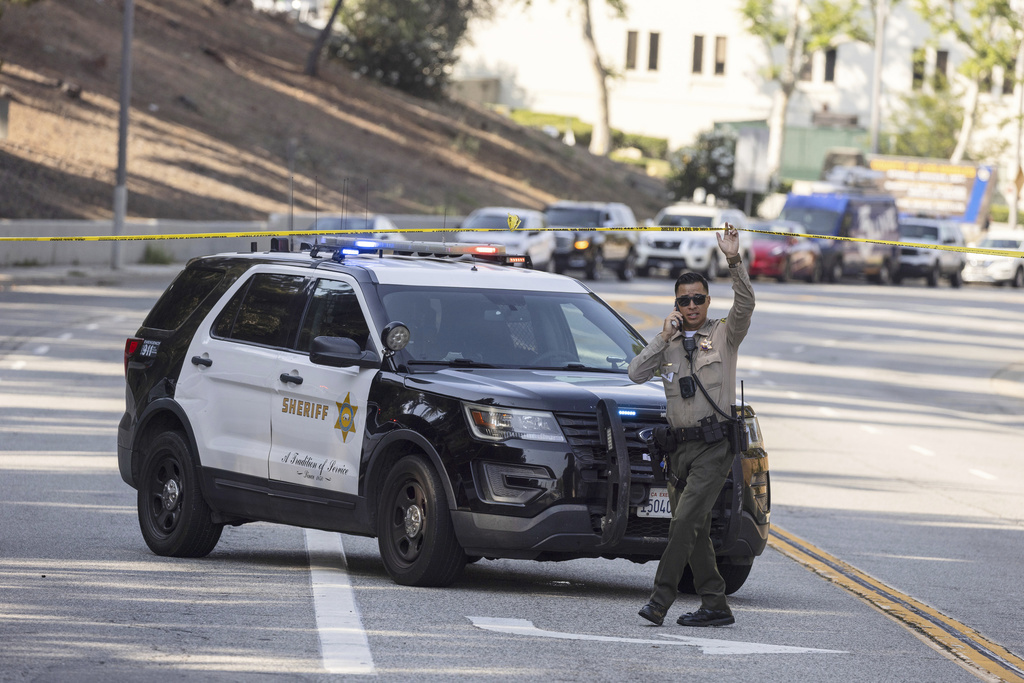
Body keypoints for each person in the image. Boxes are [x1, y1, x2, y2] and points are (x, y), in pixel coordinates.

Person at [628, 223, 754, 627]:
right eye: (685, 300)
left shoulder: (723, 335)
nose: (692, 305)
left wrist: (733, 258)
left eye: (698, 298)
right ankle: (716, 605)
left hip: (714, 447)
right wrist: (663, 337)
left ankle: (659, 600)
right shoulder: (670, 340)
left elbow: (746, 303)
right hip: (677, 451)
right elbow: (635, 373)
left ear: (707, 299)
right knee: (694, 529)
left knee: (682, 522)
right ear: (676, 305)